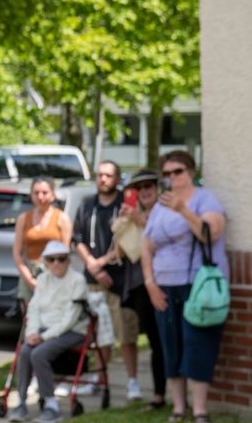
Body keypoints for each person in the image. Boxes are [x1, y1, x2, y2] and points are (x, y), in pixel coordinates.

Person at [142, 151, 227, 423]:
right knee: (171, 346)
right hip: (164, 287)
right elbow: (147, 246)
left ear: (191, 171)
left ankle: (200, 410)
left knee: (198, 344)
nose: (172, 178)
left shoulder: (205, 199)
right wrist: (150, 283)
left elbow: (210, 233)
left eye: (177, 171)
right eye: (166, 174)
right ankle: (179, 408)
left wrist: (183, 210)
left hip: (195, 285)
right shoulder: (159, 206)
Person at [71, 160, 141, 400]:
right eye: (100, 175)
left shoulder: (125, 204)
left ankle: (132, 382)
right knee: (100, 335)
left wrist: (102, 263)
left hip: (121, 280)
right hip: (92, 280)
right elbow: (77, 238)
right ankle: (100, 380)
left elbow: (129, 238)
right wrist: (92, 264)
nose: (103, 179)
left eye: (109, 176)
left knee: (126, 334)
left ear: (118, 179)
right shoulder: (87, 204)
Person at [9, 240, 89, 423]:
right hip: (44, 331)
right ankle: (21, 402)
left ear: (68, 260)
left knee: (38, 354)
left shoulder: (77, 281)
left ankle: (52, 406)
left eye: (61, 259)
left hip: (72, 331)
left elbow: (70, 320)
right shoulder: (43, 280)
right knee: (25, 351)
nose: (56, 263)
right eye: (51, 259)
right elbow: (34, 309)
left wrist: (42, 337)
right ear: (46, 261)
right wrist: (32, 333)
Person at [119, 169, 167, 412]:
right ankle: (159, 395)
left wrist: (139, 218)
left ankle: (176, 396)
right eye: (140, 187)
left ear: (158, 187)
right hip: (141, 287)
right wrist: (122, 224)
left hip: (166, 284)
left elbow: (163, 237)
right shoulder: (135, 215)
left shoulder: (166, 210)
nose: (146, 190)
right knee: (154, 341)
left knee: (168, 340)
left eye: (150, 185)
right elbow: (119, 250)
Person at [13, 176, 72, 313]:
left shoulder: (62, 218)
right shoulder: (23, 218)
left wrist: (51, 277)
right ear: (31, 194)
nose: (40, 196)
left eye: (44, 192)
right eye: (36, 192)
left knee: (51, 315)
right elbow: (17, 253)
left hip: (53, 271)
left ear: (52, 194)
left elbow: (65, 252)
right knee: (30, 317)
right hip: (29, 272)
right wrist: (29, 280)